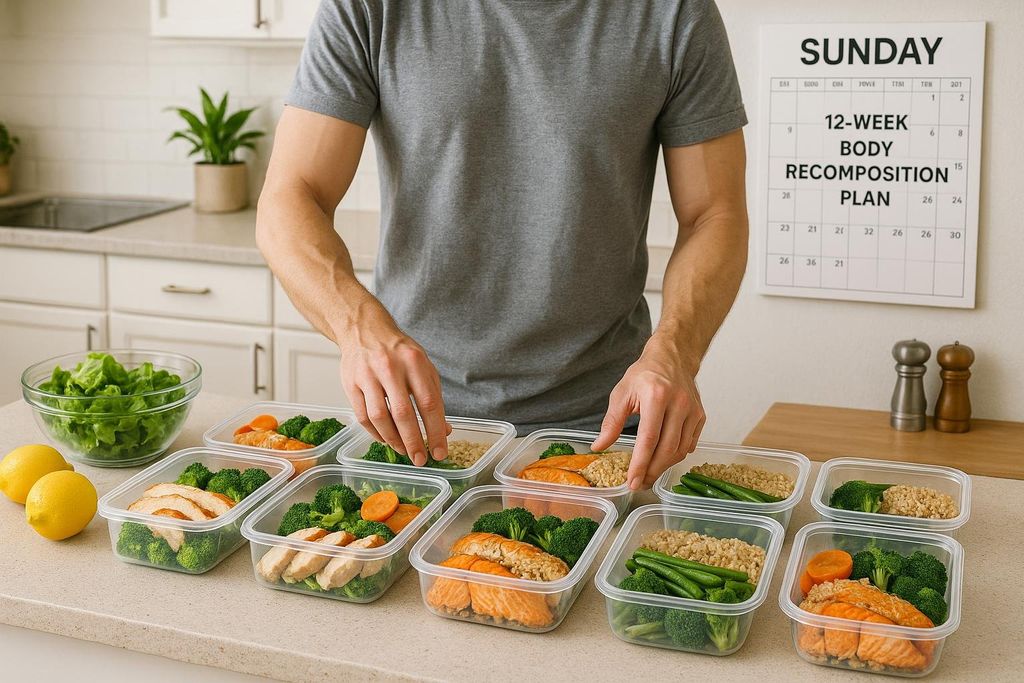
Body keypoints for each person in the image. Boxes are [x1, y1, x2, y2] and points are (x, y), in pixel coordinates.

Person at [256, 0, 748, 491]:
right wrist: (357, 328)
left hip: (605, 433)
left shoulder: (675, 12)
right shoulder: (368, 7)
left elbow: (714, 214)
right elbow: (292, 197)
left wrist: (675, 354)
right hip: (414, 427)